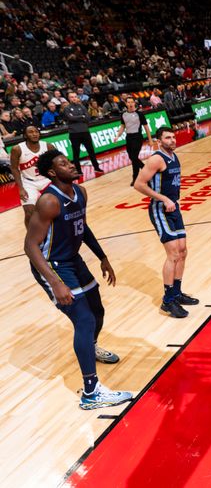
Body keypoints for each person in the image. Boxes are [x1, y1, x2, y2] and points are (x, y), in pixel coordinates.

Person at [23, 149, 133, 410]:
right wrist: (56, 282)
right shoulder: (49, 201)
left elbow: (82, 227)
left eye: (70, 161)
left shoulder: (81, 193)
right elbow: (30, 245)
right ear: (52, 172)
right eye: (64, 164)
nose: (72, 165)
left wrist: (102, 256)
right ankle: (91, 392)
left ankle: (89, 347)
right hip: (53, 266)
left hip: (73, 259)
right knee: (83, 318)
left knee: (96, 311)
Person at [133, 127, 199, 318]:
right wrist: (163, 199)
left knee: (183, 251)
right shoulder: (156, 159)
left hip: (173, 208)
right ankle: (168, 301)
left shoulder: (173, 155)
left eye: (173, 137)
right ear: (159, 141)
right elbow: (139, 184)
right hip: (160, 209)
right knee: (173, 254)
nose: (172, 140)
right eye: (167, 138)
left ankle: (177, 293)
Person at [10, 125, 56, 227]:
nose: (34, 134)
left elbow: (58, 161)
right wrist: (21, 188)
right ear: (25, 135)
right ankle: (31, 239)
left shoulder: (48, 146)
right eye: (31, 132)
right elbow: (14, 168)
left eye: (36, 131)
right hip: (28, 182)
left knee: (56, 209)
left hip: (46, 180)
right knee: (29, 213)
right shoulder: (17, 149)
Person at [63, 91, 103, 175]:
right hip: (74, 133)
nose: (74, 98)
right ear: (69, 99)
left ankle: (96, 167)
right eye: (72, 97)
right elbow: (70, 118)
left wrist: (80, 117)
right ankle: (78, 170)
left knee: (91, 151)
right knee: (76, 153)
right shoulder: (67, 108)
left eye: (75, 96)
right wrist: (82, 116)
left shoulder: (82, 106)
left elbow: (88, 117)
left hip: (85, 132)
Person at [115, 97, 153, 186]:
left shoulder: (139, 114)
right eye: (129, 102)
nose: (131, 104)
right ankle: (140, 176)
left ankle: (141, 175)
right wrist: (117, 136)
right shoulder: (123, 115)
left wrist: (150, 139)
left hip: (137, 137)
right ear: (126, 104)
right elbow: (122, 126)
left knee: (134, 157)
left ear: (134, 103)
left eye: (132, 102)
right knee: (132, 158)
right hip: (129, 138)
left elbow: (146, 127)